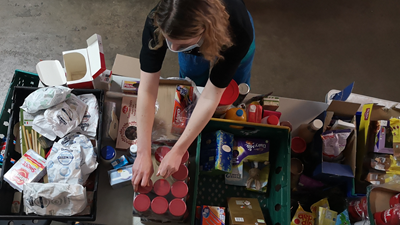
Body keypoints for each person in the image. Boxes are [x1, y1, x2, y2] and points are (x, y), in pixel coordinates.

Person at [131, 0, 255, 190]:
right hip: (189, 33)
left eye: (180, 45)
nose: (172, 47)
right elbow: (147, 89)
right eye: (169, 40)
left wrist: (179, 150)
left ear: (205, 31)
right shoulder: (161, 19)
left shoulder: (239, 32)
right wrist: (142, 152)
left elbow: (211, 95)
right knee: (191, 76)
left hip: (228, 36)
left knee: (232, 88)